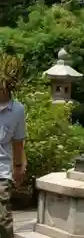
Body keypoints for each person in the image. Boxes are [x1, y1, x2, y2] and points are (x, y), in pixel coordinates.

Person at [0, 81, 26, 238]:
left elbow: (18, 142)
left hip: (2, 171)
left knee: (2, 218)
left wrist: (18, 167)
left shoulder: (17, 110)